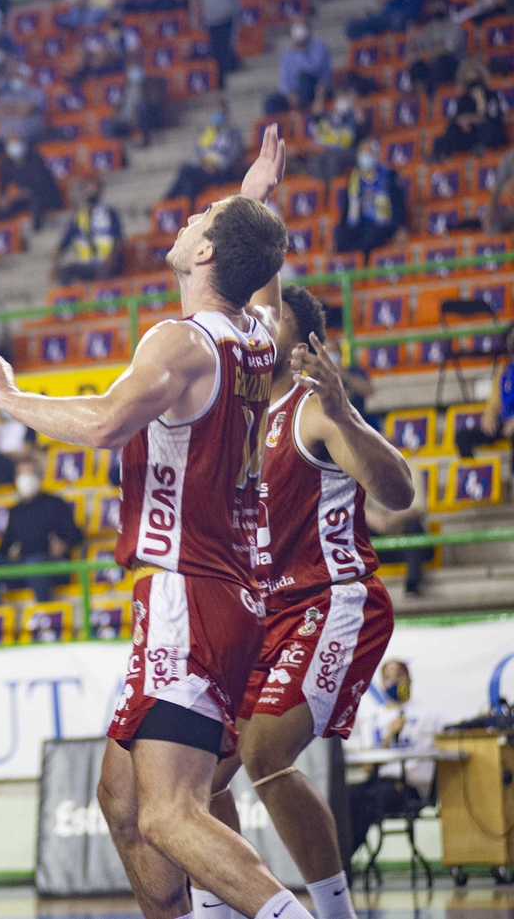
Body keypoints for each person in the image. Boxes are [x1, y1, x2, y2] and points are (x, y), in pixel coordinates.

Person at [0, 128, 308, 919]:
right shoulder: (256, 332)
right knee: (121, 801)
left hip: (188, 592)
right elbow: (260, 274)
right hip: (225, 593)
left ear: (209, 256)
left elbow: (103, 423)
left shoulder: (181, 342)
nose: (187, 221)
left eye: (203, 218)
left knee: (166, 812)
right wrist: (256, 201)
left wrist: (7, 395)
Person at [200, 285, 413, 919]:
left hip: (332, 599)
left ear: (298, 346)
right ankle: (216, 910)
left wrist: (346, 413)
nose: (253, 323)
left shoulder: (313, 411)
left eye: (269, 317)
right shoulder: (230, 420)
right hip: (262, 616)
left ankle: (334, 912)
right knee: (198, 779)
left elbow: (398, 493)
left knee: (265, 754)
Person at [346, 660, 445, 858]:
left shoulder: (429, 715)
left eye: (399, 676)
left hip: (409, 786)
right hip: (380, 780)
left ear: (409, 680)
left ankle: (343, 860)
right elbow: (367, 767)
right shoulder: (374, 718)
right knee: (346, 797)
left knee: (368, 802)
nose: (393, 682)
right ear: (382, 683)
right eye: (388, 678)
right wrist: (388, 736)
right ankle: (338, 861)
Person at [0, 456, 84, 604]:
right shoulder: (15, 511)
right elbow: (4, 547)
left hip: (53, 566)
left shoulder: (55, 503)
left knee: (35, 564)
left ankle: (44, 612)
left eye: (29, 473)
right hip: (25, 567)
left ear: (39, 476)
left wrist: (64, 545)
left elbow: (77, 535)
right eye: (21, 474)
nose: (25, 479)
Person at [334, 140, 407, 261]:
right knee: (342, 237)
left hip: (381, 224)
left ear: (376, 155)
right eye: (362, 153)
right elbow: (346, 210)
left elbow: (398, 204)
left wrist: (400, 227)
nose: (365, 157)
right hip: (358, 224)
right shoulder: (353, 179)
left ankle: (364, 271)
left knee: (369, 239)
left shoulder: (389, 175)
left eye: (369, 153)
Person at [455, 324, 514, 469]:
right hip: (504, 422)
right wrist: (489, 415)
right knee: (463, 436)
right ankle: (475, 472)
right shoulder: (504, 371)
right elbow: (494, 401)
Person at [167, 99, 245, 202]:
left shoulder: (234, 134)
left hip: (221, 171)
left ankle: (167, 201)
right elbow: (197, 153)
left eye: (219, 112)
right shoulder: (207, 133)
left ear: (225, 113)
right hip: (204, 169)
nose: (216, 115)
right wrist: (203, 164)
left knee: (185, 171)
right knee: (190, 183)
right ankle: (183, 206)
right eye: (214, 112)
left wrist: (216, 165)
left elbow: (232, 157)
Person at [369, 468, 431, 596]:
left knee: (414, 526)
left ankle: (412, 585)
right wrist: (374, 519)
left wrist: (390, 520)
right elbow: (358, 506)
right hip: (379, 543)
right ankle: (360, 586)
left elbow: (418, 508)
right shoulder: (365, 473)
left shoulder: (410, 471)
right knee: (357, 528)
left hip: (407, 544)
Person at [55, 181, 126, 284]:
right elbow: (63, 245)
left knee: (104, 271)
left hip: (107, 262)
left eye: (93, 188)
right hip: (86, 264)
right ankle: (71, 299)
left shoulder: (109, 213)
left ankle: (104, 297)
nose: (89, 191)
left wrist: (111, 258)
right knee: (64, 271)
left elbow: (119, 242)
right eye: (86, 188)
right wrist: (54, 266)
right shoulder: (77, 218)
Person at [433, 67, 510, 159]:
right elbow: (457, 118)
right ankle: (442, 160)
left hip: (488, 132)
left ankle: (482, 153)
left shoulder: (492, 96)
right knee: (448, 134)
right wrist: (463, 121)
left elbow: (494, 118)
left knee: (486, 128)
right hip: (468, 133)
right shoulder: (463, 99)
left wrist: (481, 103)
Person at [0, 138, 64, 231]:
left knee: (35, 198)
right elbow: (3, 184)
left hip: (46, 195)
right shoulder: (6, 163)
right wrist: (2, 198)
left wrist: (16, 196)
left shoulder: (35, 158)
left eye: (16, 143)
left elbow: (39, 185)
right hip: (25, 199)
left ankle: (37, 231)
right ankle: (8, 232)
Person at [405, 0, 467, 98]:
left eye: (439, 4)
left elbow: (448, 49)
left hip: (453, 66)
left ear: (446, 7)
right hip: (432, 66)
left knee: (441, 60)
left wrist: (423, 54)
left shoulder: (454, 26)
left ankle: (433, 99)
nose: (436, 8)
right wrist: (410, 39)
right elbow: (413, 54)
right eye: (434, 5)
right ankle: (421, 99)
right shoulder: (428, 28)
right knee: (416, 66)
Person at [268, 21, 333, 114]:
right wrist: (289, 94)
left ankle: (306, 114)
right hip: (295, 93)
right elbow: (283, 82)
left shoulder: (319, 47)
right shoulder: (287, 54)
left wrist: (301, 52)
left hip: (315, 87)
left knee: (304, 78)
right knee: (270, 102)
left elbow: (318, 72)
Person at [0, 64, 48, 147]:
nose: (16, 79)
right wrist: (18, 108)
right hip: (6, 140)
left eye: (19, 76)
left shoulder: (37, 93)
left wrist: (9, 109)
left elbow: (26, 109)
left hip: (30, 139)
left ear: (27, 77)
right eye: (14, 76)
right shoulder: (6, 95)